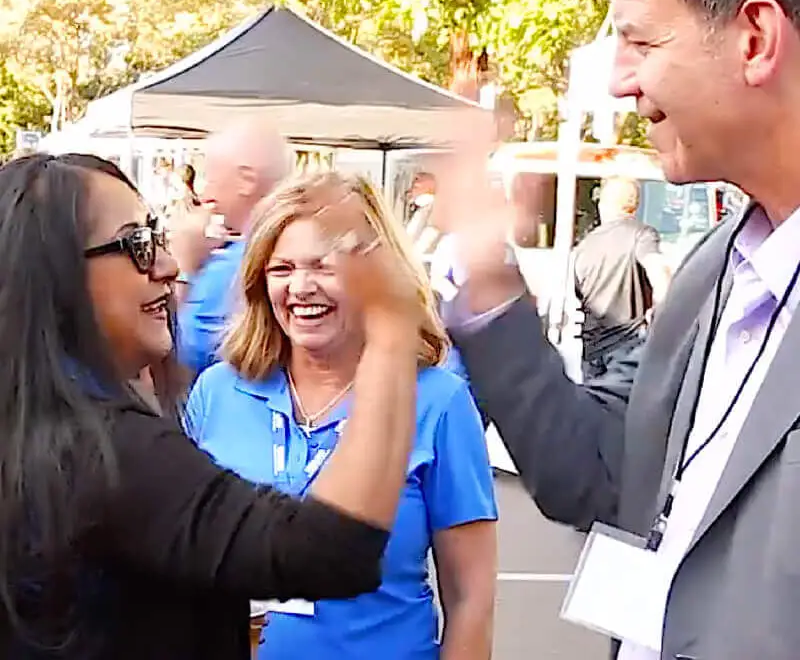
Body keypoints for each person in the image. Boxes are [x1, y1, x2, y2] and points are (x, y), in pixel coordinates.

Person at [438, 0, 800, 658]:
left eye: (639, 39)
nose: (619, 79)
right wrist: (492, 284)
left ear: (755, 38)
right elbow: (605, 476)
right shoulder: (715, 269)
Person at [0, 153, 423, 659]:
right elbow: (330, 550)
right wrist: (392, 327)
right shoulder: (112, 455)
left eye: (156, 238)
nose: (168, 265)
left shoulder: (41, 431)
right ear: (57, 275)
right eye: (137, 245)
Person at [185, 171, 497, 660]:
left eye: (324, 267)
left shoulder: (437, 401)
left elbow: (471, 598)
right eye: (281, 269)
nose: (301, 287)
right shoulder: (218, 392)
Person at [173, 122, 290, 376]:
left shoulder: (233, 268)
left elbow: (175, 353)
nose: (204, 193)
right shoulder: (292, 249)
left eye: (212, 178)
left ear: (247, 181)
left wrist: (184, 266)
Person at [573, 177, 671, 379]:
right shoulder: (642, 235)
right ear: (634, 205)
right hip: (628, 345)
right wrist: (662, 317)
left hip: (591, 349)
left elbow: (575, 293)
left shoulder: (584, 245)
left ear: (603, 205)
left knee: (593, 406)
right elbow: (660, 276)